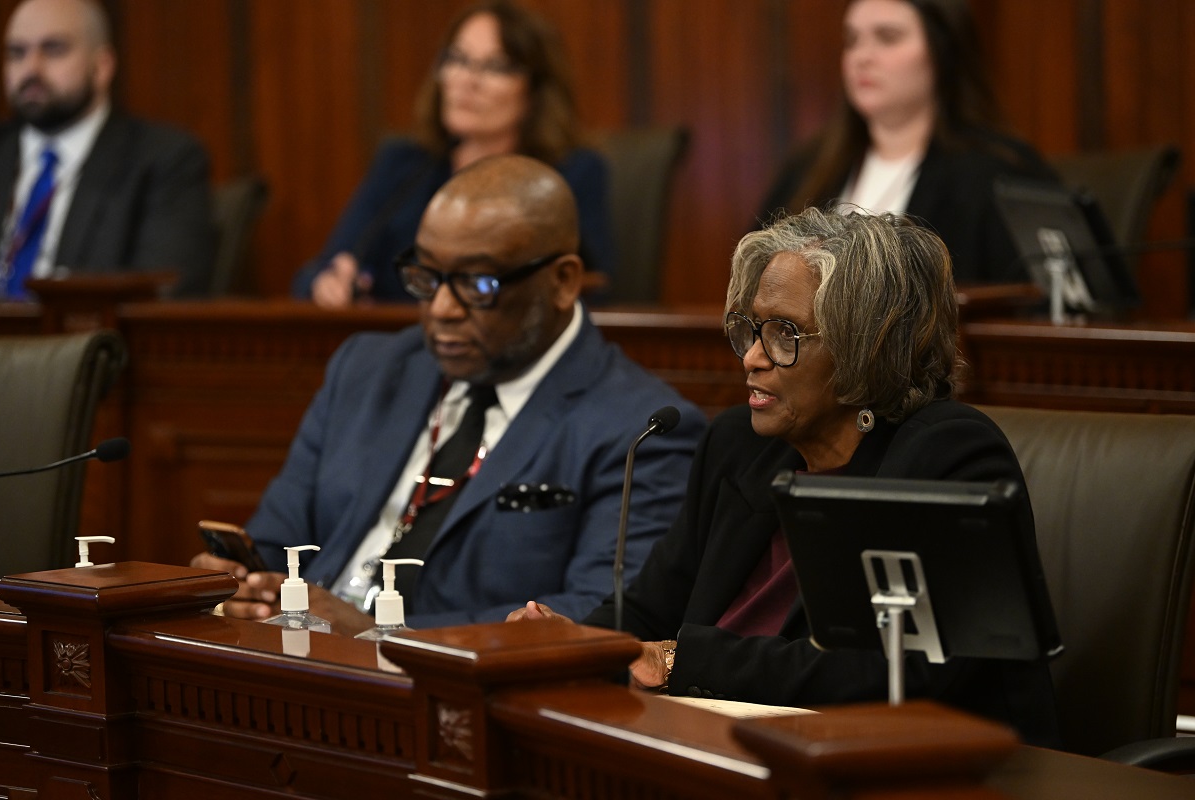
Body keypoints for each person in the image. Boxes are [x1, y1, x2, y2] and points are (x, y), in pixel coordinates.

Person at [509, 207, 1060, 747]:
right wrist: (572, 643)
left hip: (916, 770)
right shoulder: (739, 445)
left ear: (866, 345)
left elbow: (904, 670)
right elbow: (651, 607)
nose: (752, 358)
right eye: (750, 330)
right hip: (719, 749)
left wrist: (676, 660)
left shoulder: (948, 452)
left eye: (784, 333)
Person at [194, 154, 703, 634]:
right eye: (426, 277)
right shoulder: (367, 370)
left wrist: (382, 635)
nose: (440, 309)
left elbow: (599, 613)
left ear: (563, 280)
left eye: (476, 284)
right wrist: (240, 584)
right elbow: (273, 539)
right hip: (297, 660)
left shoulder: (640, 428)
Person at [292, 0, 614, 308]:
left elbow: (592, 288)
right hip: (397, 345)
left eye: (495, 66)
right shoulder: (404, 163)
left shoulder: (570, 172)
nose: (467, 80)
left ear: (534, 90)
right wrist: (327, 284)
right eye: (457, 59)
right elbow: (321, 270)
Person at [758, 0, 1057, 284]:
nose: (862, 57)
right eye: (852, 40)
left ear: (943, 50)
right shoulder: (807, 167)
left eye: (888, 37)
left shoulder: (999, 171)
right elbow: (753, 282)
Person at [0, 0, 214, 299]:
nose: (31, 68)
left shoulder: (163, 161)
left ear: (102, 66)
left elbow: (162, 297)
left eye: (53, 49)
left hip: (83, 343)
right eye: (17, 53)